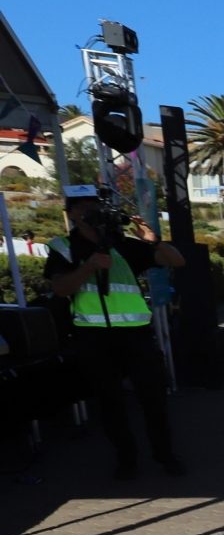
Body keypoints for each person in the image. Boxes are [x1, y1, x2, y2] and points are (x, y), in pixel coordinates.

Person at [44, 187, 186, 477]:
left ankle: (165, 455)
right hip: (92, 336)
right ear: (70, 213)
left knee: (153, 399)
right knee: (110, 403)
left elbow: (177, 260)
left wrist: (153, 239)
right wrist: (88, 267)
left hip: (135, 333)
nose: (89, 212)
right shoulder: (62, 247)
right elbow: (59, 289)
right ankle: (126, 460)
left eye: (93, 206)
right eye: (81, 207)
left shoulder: (122, 245)